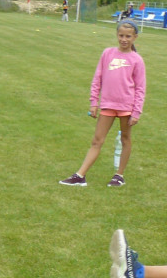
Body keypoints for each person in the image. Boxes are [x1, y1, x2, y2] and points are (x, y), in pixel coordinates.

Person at [60, 21, 145, 188]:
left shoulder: (137, 60)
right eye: (121, 35)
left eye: (128, 36)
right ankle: (80, 175)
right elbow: (97, 78)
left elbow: (140, 88)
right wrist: (94, 102)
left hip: (126, 107)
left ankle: (119, 175)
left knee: (125, 139)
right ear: (117, 35)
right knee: (97, 140)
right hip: (107, 105)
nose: (124, 39)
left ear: (135, 37)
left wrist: (136, 112)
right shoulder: (107, 54)